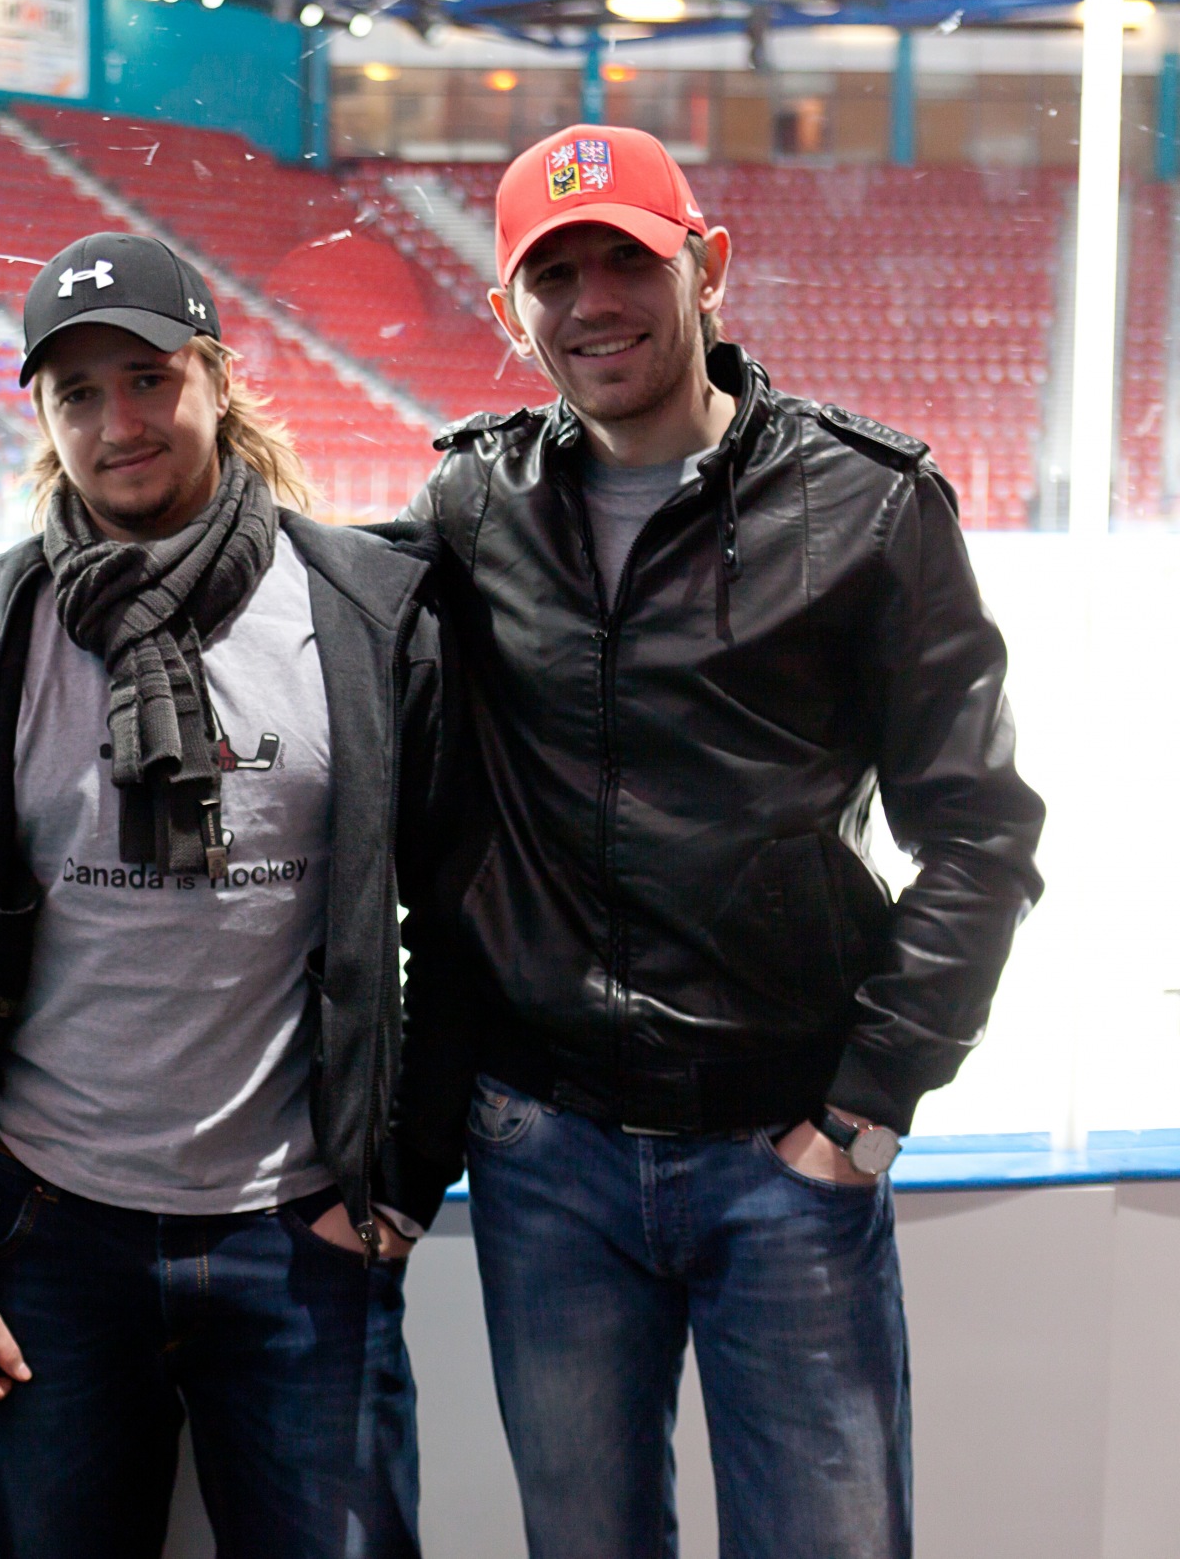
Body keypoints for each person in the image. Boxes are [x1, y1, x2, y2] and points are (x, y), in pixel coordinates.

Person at [407, 124, 1047, 1559]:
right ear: (509, 309)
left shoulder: (868, 504)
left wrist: (866, 1103)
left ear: (707, 265)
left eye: (626, 261)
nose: (592, 304)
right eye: (552, 275)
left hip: (782, 1144)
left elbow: (982, 834)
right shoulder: (470, 507)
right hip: (546, 1147)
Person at [0, 232, 461, 1559]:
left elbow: (455, 920)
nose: (117, 422)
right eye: (77, 394)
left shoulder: (362, 608)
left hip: (298, 1231)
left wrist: (404, 1176)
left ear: (218, 377)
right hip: (50, 1232)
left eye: (147, 378)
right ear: (44, 416)